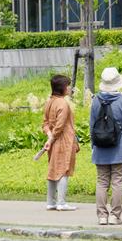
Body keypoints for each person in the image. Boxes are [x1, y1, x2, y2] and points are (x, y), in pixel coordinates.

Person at [89, 67, 122, 225]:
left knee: (102, 181)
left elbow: (92, 125)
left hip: (100, 146)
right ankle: (115, 215)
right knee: (118, 181)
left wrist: (92, 144)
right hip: (120, 146)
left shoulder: (95, 100)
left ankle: (101, 215)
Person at [42, 73, 79, 211]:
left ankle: (50, 202)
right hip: (64, 140)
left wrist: (49, 136)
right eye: (68, 85)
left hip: (53, 140)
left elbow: (45, 123)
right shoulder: (63, 103)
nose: (69, 88)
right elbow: (60, 125)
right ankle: (61, 202)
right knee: (64, 169)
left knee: (53, 169)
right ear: (63, 87)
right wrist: (52, 137)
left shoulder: (49, 101)